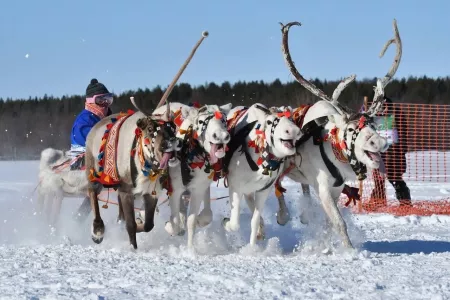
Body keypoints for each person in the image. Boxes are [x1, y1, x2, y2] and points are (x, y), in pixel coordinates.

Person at [369, 97, 412, 207]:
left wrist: (401, 150)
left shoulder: (396, 114)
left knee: (395, 178)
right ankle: (378, 202)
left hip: (394, 154)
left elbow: (402, 134)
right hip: (379, 153)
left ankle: (405, 203)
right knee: (379, 179)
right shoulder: (373, 115)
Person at [69, 78, 114, 170]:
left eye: (108, 99)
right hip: (82, 166)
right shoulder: (84, 121)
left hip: (102, 162)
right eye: (100, 100)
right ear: (91, 102)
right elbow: (93, 141)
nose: (105, 103)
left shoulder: (106, 119)